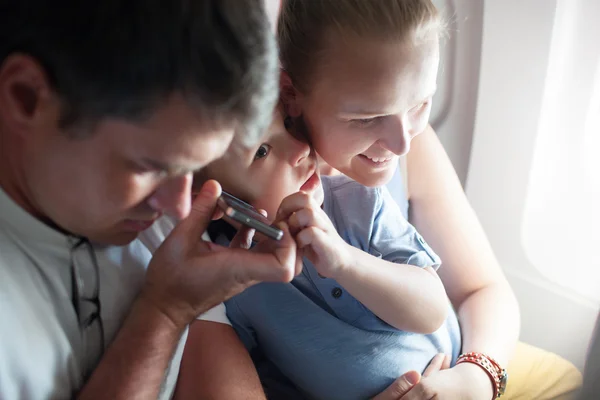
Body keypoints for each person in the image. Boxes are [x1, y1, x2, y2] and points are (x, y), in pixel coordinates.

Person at [275, 0, 583, 398]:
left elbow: (484, 289)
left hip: (453, 364)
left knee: (568, 378)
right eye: (366, 118)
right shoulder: (257, 182)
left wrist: (474, 379)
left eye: (420, 103)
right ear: (292, 94)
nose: (402, 141)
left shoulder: (414, 146)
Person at [0, 1, 303, 399]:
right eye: (150, 167)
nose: (179, 207)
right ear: (27, 98)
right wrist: (165, 312)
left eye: (194, 169)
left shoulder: (143, 218)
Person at [176, 104, 458, 399]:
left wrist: (344, 261)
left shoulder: (359, 199)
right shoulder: (235, 286)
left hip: (450, 377)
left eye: (288, 124)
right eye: (262, 151)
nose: (300, 147)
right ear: (216, 201)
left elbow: (432, 310)